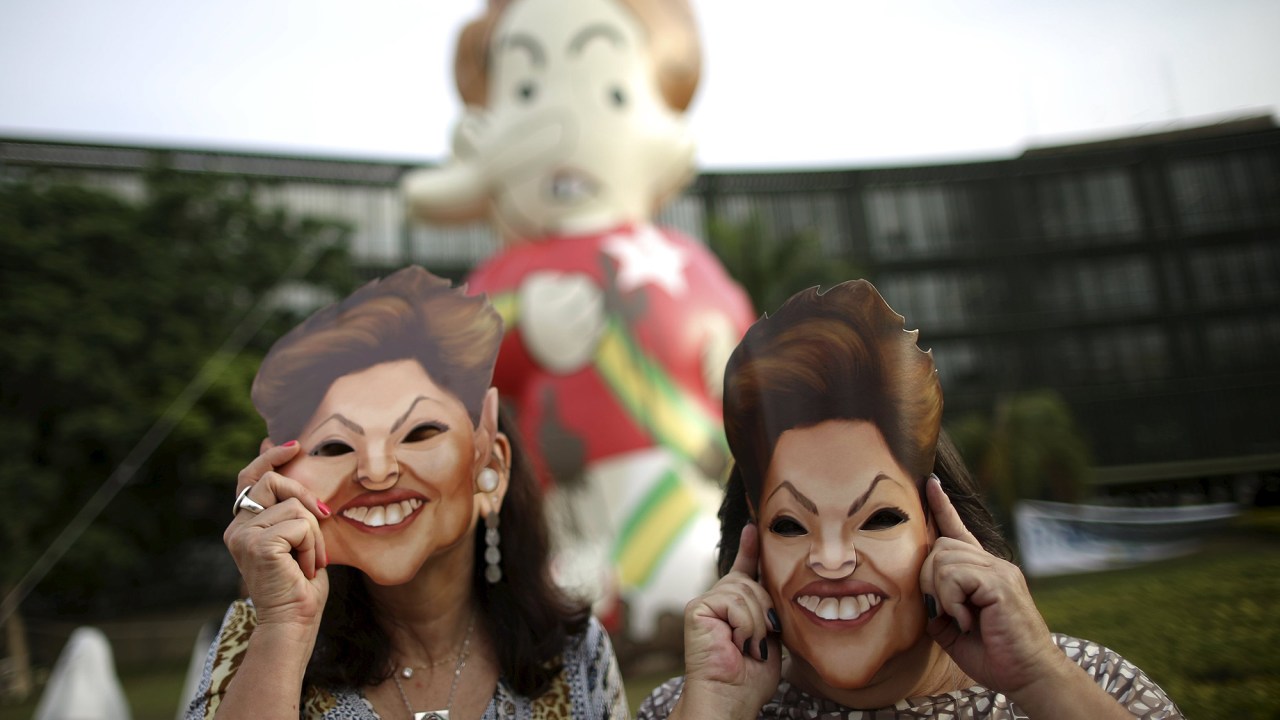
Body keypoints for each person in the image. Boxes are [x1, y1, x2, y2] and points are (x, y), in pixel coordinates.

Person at [638, 280, 1182, 719]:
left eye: (878, 518)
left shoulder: (1095, 685)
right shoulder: (689, 706)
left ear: (942, 530)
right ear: (751, 543)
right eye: (790, 525)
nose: (832, 559)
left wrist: (1038, 677)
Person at [185, 266, 628, 719]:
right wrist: (285, 627)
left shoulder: (573, 651)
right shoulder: (258, 635)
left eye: (419, 433)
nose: (376, 471)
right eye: (336, 446)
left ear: (490, 467)